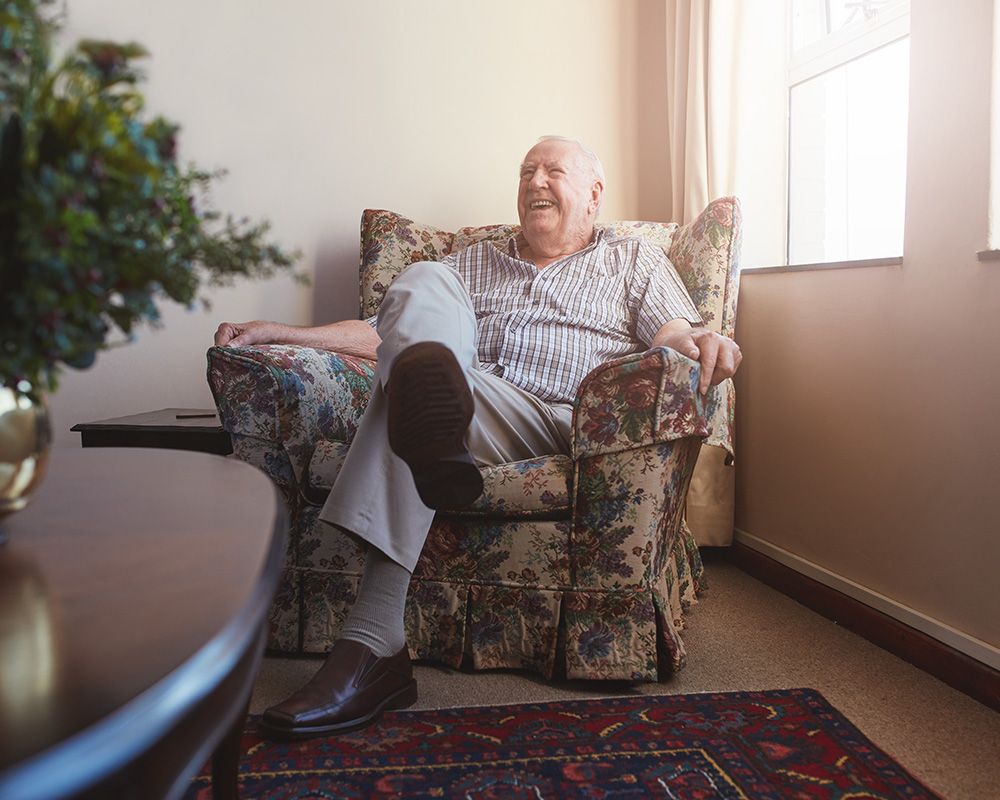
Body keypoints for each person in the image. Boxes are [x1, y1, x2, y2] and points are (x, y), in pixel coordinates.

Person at [214, 136, 742, 739]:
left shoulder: (633, 261)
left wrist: (702, 340)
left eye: (553, 171)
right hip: (470, 401)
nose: (535, 181)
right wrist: (280, 334)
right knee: (420, 305)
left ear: (595, 194)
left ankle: (372, 644)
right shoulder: (471, 262)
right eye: (526, 171)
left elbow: (672, 332)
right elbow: (376, 332)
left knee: (406, 388)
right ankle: (430, 434)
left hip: (560, 421)